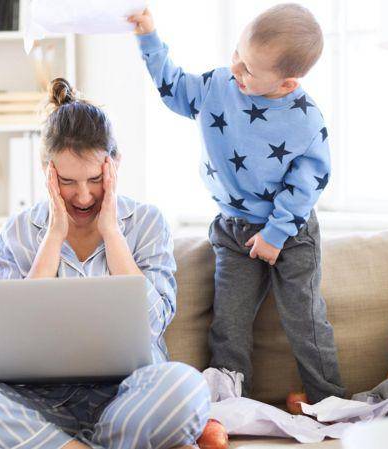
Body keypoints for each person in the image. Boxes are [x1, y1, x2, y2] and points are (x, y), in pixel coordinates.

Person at [0, 78, 211, 449]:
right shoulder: (18, 231)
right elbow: (10, 341)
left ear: (115, 164)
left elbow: (152, 324)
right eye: (67, 181)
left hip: (126, 398)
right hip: (31, 402)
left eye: (95, 179)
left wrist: (112, 232)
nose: (83, 196)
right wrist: (54, 234)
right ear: (47, 172)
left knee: (187, 389)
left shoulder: (146, 223)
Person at [128, 4, 346, 404]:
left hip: (291, 232)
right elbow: (173, 88)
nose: (236, 71)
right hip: (234, 229)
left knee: (304, 318)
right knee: (229, 321)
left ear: (286, 84)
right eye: (237, 56)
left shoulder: (305, 121)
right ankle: (227, 400)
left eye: (249, 70)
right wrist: (148, 36)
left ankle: (329, 398)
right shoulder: (218, 86)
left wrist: (276, 234)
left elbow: (308, 182)